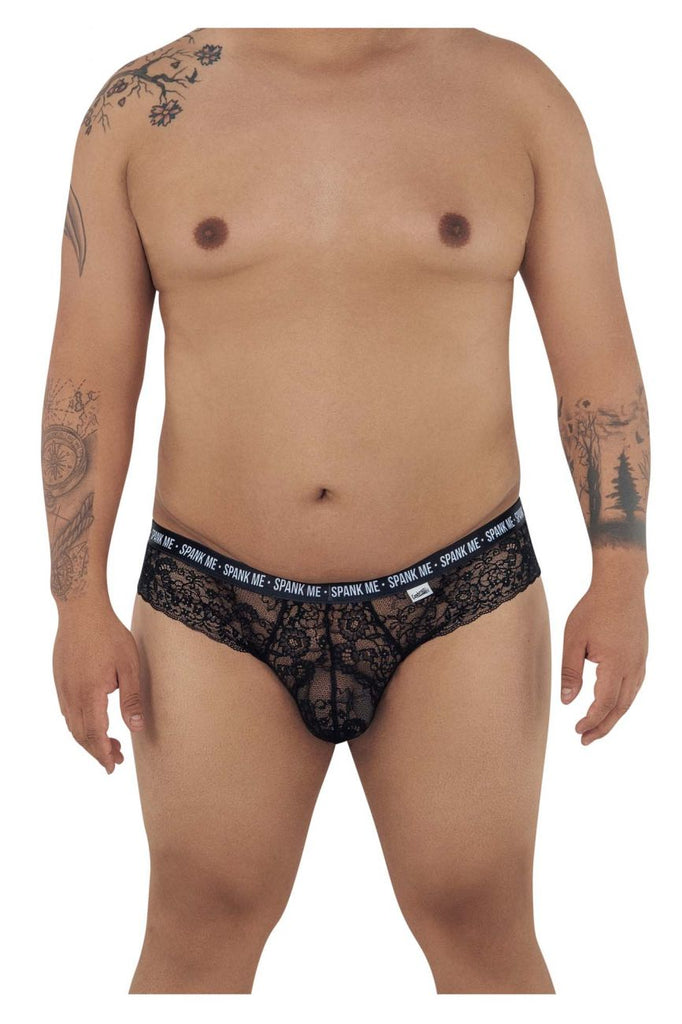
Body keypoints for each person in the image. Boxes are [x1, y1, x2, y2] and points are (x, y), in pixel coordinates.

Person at [41, 27, 650, 995]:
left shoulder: (516, 97)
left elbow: (598, 363)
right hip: (212, 599)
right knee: (197, 929)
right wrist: (76, 601)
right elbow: (88, 373)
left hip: (463, 589)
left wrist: (620, 573)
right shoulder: (140, 111)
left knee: (481, 923)